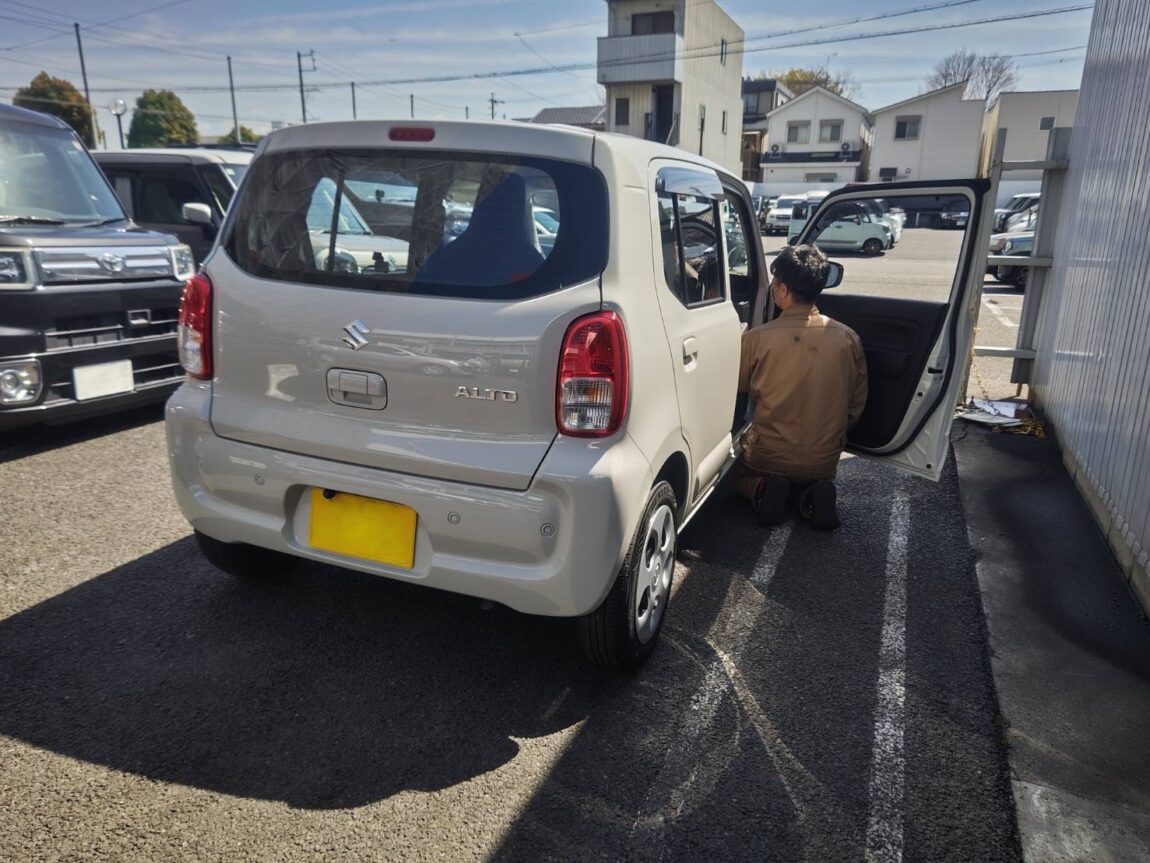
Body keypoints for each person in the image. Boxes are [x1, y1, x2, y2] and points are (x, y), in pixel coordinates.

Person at [736, 244, 868, 530]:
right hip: (824, 459)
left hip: (768, 455)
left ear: (783, 290)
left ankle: (761, 488)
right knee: (808, 474)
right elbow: (856, 403)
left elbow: (739, 387)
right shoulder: (848, 338)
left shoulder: (757, 339)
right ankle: (808, 495)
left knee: (732, 473)